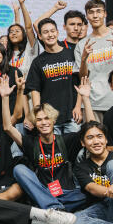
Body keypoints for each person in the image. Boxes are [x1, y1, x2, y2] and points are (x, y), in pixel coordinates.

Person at [10, 77, 95, 211]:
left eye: (47, 118)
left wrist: (85, 99)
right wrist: (16, 92)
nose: (43, 123)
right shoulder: (31, 143)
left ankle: (55, 209)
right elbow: (8, 128)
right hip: (44, 193)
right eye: (39, 120)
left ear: (53, 120)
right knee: (18, 169)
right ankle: (54, 207)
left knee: (90, 194)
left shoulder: (65, 140)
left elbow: (92, 129)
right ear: (35, 124)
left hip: (68, 194)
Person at [26, 18, 81, 134]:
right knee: (53, 151)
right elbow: (35, 90)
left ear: (57, 32)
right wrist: (38, 116)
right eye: (45, 32)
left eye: (52, 31)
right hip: (49, 118)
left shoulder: (72, 54)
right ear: (40, 37)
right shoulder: (38, 62)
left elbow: (81, 83)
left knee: (77, 151)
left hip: (72, 115)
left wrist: (78, 107)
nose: (50, 35)